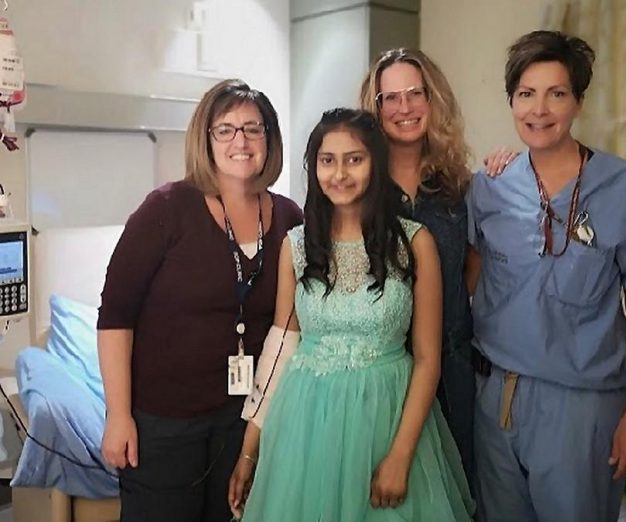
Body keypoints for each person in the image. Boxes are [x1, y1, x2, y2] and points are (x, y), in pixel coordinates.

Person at [467, 30, 626, 522]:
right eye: (526, 94)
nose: (540, 109)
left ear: (578, 101)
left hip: (581, 406)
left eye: (557, 93)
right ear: (511, 100)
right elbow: (471, 279)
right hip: (495, 399)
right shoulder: (489, 187)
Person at [228, 108, 476, 521]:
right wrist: (250, 449)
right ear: (315, 168)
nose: (339, 173)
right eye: (328, 160)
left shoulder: (415, 243)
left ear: (375, 164)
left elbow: (429, 360)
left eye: (354, 159)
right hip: (307, 426)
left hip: (388, 419)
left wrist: (400, 455)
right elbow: (281, 347)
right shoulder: (297, 245)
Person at [97, 79, 302, 522]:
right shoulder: (166, 209)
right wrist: (118, 415)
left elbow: (294, 325)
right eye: (225, 129)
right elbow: (115, 316)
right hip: (164, 423)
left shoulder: (290, 219)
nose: (240, 141)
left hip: (244, 422)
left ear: (271, 138)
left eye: (253, 128)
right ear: (205, 140)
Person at [359, 48, 516, 480]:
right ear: (375, 108)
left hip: (452, 375)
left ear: (434, 100)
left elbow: (472, 271)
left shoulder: (460, 187)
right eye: (390, 97)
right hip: (381, 376)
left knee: (454, 489)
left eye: (415, 93)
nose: (404, 107)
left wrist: (510, 170)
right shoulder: (360, 190)